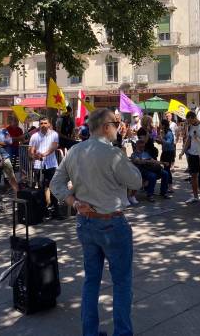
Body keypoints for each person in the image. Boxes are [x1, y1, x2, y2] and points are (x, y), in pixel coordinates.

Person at [50, 108, 142, 336]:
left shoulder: (74, 150)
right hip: (112, 223)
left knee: (91, 280)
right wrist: (125, 158)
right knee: (122, 283)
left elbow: (56, 184)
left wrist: (74, 202)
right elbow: (136, 182)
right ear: (105, 127)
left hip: (86, 222)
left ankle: (89, 332)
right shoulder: (113, 153)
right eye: (115, 124)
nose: (118, 128)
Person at [29, 117, 61, 219]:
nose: (43, 125)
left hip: (51, 165)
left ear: (49, 124)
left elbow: (54, 147)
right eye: (41, 123)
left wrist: (44, 154)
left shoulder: (54, 134)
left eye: (45, 123)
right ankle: (43, 211)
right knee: (41, 189)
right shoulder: (34, 136)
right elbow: (31, 150)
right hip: (38, 165)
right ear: (39, 125)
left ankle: (56, 211)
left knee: (54, 187)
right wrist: (34, 155)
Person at [179, 111, 200, 204]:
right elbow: (188, 140)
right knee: (193, 176)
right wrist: (182, 152)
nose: (189, 123)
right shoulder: (190, 127)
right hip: (192, 155)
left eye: (190, 121)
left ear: (194, 118)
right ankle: (195, 196)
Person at [0, 116, 19, 193]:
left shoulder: (4, 131)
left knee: (11, 176)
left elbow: (10, 141)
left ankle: (17, 193)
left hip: (5, 156)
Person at [158, 119, 176, 187]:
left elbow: (168, 142)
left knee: (167, 169)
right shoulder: (164, 132)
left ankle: (170, 185)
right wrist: (159, 141)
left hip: (169, 152)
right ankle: (167, 185)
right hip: (165, 151)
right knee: (165, 168)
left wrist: (161, 139)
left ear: (164, 125)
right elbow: (164, 142)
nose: (160, 125)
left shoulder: (169, 133)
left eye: (161, 124)